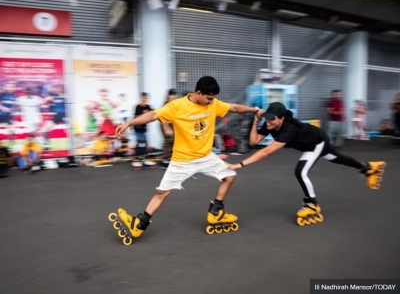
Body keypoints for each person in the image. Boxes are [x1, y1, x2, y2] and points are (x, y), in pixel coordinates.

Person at [111, 76, 264, 245]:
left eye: (213, 99)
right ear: (198, 93)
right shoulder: (177, 106)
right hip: (182, 160)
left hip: (206, 157)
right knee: (162, 192)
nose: (211, 102)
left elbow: (234, 107)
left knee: (230, 176)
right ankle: (139, 224)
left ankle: (215, 212)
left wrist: (254, 110)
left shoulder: (213, 103)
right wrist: (128, 124)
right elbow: (153, 115)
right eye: (208, 98)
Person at [225, 102, 386, 227]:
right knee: (338, 158)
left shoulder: (289, 129)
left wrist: (240, 164)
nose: (268, 122)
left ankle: (311, 204)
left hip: (316, 141)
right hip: (309, 143)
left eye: (272, 119)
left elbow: (266, 152)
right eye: (267, 117)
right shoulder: (269, 123)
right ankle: (368, 168)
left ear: (281, 118)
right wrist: (256, 120)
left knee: (301, 171)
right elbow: (253, 141)